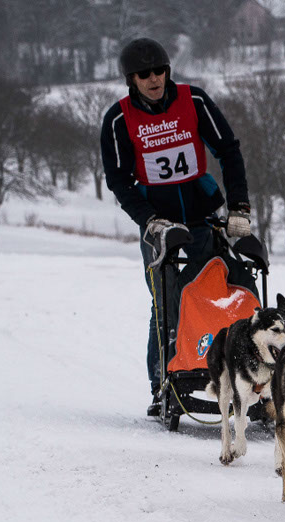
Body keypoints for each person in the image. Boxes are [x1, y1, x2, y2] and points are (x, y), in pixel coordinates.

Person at [100, 38, 253, 413]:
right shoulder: (119, 119)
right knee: (165, 302)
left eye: (160, 70)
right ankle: (162, 385)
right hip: (157, 221)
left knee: (209, 290)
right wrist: (149, 221)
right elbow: (118, 180)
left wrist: (239, 207)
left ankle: (225, 373)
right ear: (130, 79)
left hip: (201, 214)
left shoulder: (194, 100)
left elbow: (228, 150)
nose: (154, 79)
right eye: (144, 74)